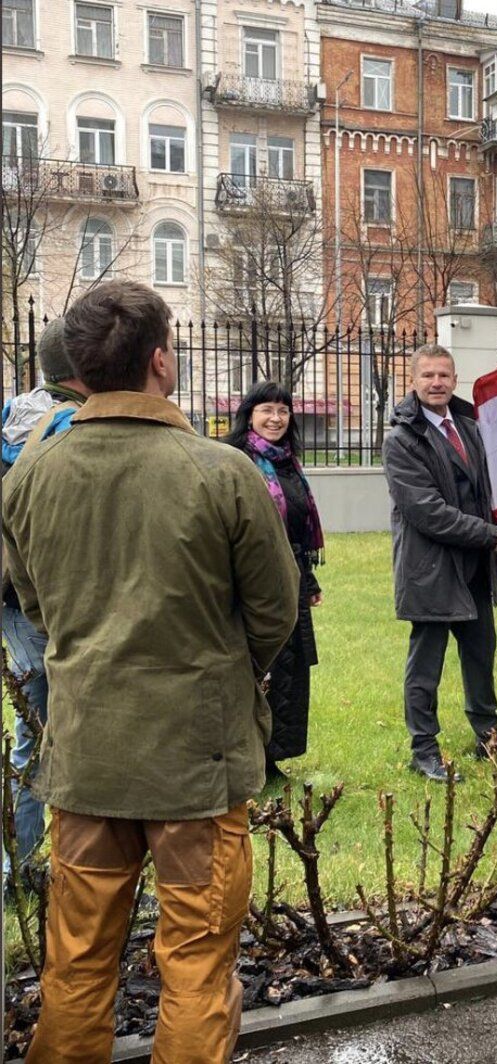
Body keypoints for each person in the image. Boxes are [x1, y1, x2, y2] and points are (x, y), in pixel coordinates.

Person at [3, 280, 298, 1062]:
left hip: (88, 756)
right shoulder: (222, 472)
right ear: (161, 360)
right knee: (197, 967)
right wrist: (225, 675)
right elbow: (274, 612)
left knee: (76, 966)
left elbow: (37, 609)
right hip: (193, 769)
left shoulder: (30, 476)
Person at [382, 343, 497, 782]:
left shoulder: (469, 426)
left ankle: (489, 736)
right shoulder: (401, 440)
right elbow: (428, 512)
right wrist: (490, 536)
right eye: (427, 376)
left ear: (455, 379)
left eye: (444, 375)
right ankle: (423, 748)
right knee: (426, 666)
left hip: (475, 569)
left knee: (481, 656)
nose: (436, 383)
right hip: (431, 571)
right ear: (413, 381)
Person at [1, 318, 90, 883]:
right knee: (60, 734)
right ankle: (25, 868)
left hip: (12, 597)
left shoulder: (14, 414)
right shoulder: (72, 426)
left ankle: (20, 863)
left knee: (33, 729)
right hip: (54, 597)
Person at [224, 381, 324, 780]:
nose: (276, 418)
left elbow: (297, 526)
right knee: (259, 665)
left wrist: (310, 580)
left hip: (292, 575)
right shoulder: (235, 460)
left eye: (283, 411)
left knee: (290, 667)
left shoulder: (287, 462)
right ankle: (250, 758)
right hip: (252, 579)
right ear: (249, 414)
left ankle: (272, 757)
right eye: (267, 410)